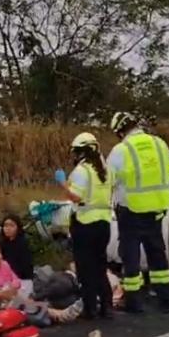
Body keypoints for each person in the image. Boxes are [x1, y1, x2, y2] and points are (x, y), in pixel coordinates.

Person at [106, 112, 169, 312]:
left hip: (131, 210)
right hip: (157, 208)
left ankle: (134, 302)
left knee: (131, 256)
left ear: (120, 131)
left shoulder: (122, 150)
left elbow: (108, 178)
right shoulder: (159, 143)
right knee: (157, 252)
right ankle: (166, 297)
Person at [58, 132, 115, 319]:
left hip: (84, 224)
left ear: (82, 152)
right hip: (104, 224)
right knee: (99, 266)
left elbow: (76, 196)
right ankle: (106, 305)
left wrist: (62, 184)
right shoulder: (106, 171)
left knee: (85, 268)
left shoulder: (82, 171)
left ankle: (90, 308)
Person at [0, 215, 34, 298]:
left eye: (12, 226)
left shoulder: (22, 243)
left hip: (23, 280)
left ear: (18, 227)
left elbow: (25, 267)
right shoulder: (1, 243)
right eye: (6, 225)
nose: (8, 228)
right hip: (6, 281)